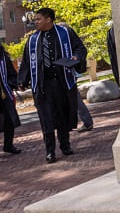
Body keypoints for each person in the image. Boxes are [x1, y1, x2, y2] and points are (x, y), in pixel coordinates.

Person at [18, 8, 87, 163]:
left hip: (62, 83)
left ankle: (65, 145)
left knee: (63, 115)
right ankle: (50, 151)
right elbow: (27, 61)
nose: (35, 22)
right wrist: (22, 80)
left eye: (38, 19)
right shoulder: (32, 40)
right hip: (42, 86)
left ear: (48, 19)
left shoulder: (65, 33)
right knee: (46, 119)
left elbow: (80, 48)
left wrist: (76, 57)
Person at [1, 46, 21, 155]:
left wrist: (12, 83)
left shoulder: (3, 57)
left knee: (9, 120)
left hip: (4, 94)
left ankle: (8, 145)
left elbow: (12, 74)